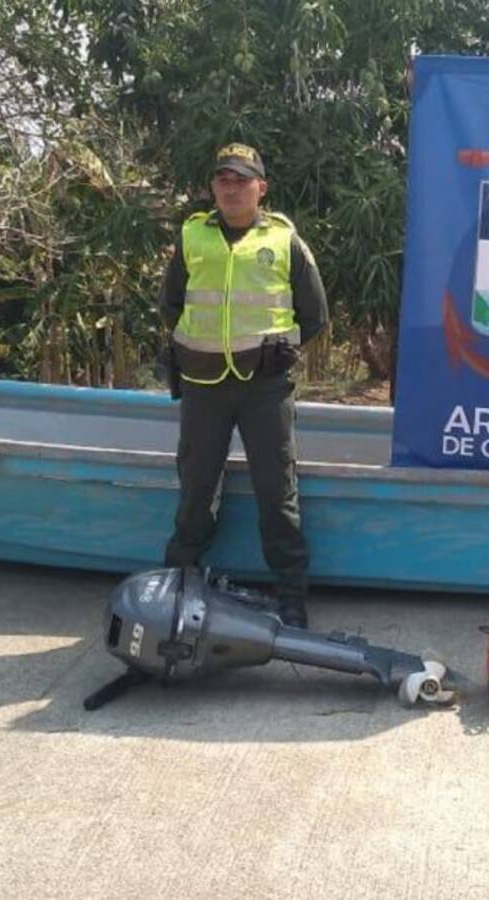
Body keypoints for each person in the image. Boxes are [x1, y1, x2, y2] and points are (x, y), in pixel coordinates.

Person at [160, 142, 328, 628]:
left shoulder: (283, 239)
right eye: (223, 180)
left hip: (265, 388)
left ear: (261, 187)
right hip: (202, 384)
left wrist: (281, 353)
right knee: (195, 489)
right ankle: (178, 586)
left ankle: (292, 597)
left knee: (277, 491)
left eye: (241, 179)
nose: (231, 188)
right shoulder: (192, 236)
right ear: (213, 187)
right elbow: (171, 305)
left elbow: (313, 315)